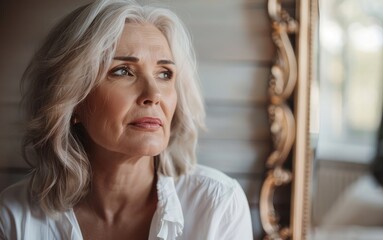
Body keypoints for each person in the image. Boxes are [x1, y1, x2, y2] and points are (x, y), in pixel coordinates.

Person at [0, 0, 253, 239]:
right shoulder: (14, 216)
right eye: (123, 71)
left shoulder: (217, 205)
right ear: (73, 97)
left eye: (164, 74)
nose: (153, 95)